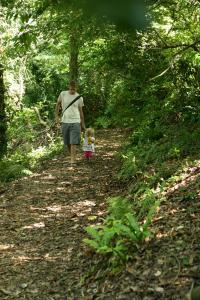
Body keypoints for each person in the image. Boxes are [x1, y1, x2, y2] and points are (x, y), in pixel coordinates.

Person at [55, 81, 85, 165]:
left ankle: (73, 161)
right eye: (71, 89)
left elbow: (81, 111)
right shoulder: (63, 94)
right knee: (67, 142)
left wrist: (82, 124)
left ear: (76, 88)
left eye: (74, 89)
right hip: (65, 121)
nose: (72, 91)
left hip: (76, 120)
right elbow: (57, 104)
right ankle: (73, 156)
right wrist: (56, 116)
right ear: (69, 87)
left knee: (73, 142)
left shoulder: (79, 97)